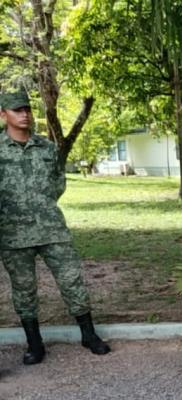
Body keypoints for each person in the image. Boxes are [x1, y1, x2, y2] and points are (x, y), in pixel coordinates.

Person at [0, 91, 111, 365]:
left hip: (52, 229)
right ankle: (35, 345)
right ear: (4, 115)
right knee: (24, 290)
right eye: (17, 109)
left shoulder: (47, 147)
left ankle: (88, 334)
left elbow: (58, 182)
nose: (24, 113)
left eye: (27, 108)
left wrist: (41, 205)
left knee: (72, 280)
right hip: (13, 234)